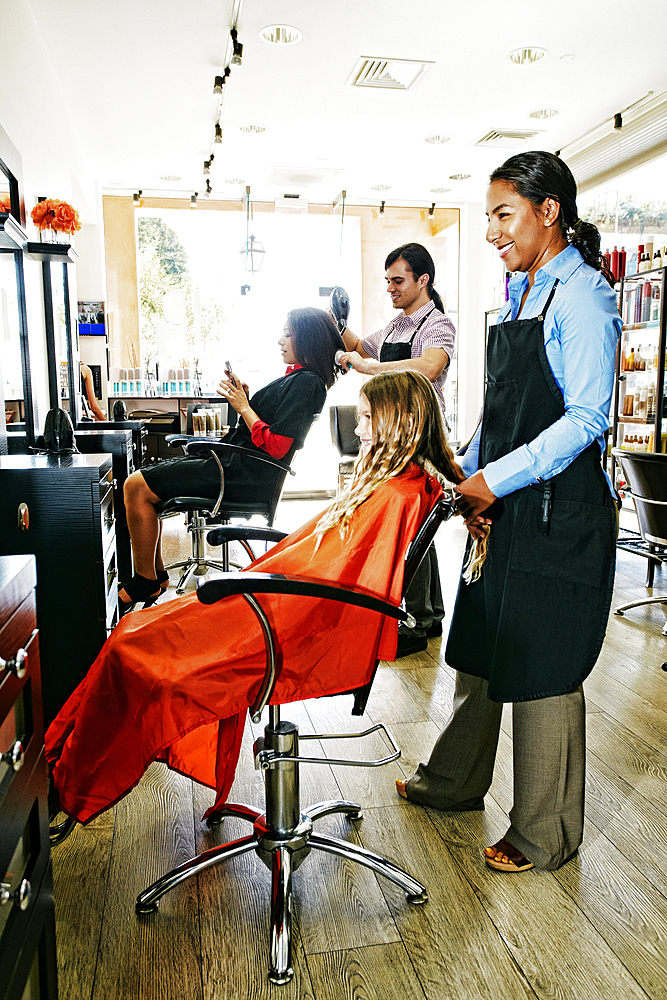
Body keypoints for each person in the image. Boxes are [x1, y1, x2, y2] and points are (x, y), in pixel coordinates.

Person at [45, 371, 464, 826]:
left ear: (399, 422)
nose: (359, 430)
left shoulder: (394, 495)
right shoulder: (398, 486)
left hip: (287, 623)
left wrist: (256, 584)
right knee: (135, 634)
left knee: (134, 644)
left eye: (366, 419)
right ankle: (60, 768)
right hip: (277, 604)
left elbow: (337, 583)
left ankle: (68, 781)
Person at [398, 151, 622, 874]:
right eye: (490, 215)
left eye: (503, 214)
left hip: (558, 510)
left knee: (541, 662)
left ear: (547, 210)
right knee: (483, 641)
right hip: (503, 501)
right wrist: (467, 467)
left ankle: (543, 832)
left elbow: (588, 415)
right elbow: (506, 406)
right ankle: (454, 781)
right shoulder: (522, 292)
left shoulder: (581, 296)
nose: (492, 230)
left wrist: (499, 478)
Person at [118, 307, 344, 611]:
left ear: (308, 339)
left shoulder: (307, 383)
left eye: (288, 333)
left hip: (240, 476)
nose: (280, 340)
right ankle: (154, 576)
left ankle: (146, 579)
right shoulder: (297, 379)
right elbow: (267, 429)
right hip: (235, 467)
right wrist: (246, 401)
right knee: (142, 485)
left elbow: (277, 446)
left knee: (136, 486)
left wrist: (244, 408)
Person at [337, 243, 457, 657]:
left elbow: (428, 366)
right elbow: (361, 348)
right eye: (387, 280)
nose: (390, 287)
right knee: (415, 526)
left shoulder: (437, 324)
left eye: (398, 280)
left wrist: (369, 368)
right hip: (389, 434)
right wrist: (338, 322)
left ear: (423, 280)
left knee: (417, 525)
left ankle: (421, 619)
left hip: (417, 434)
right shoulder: (394, 326)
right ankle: (427, 614)